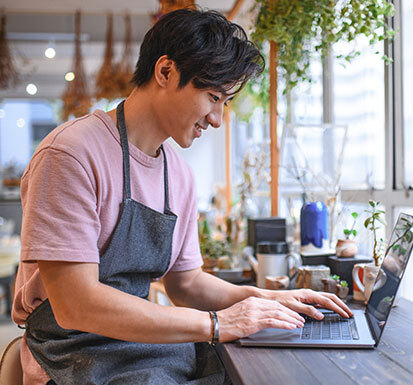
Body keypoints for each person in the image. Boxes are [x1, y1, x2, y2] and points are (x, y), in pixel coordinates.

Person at [12, 8, 353, 385]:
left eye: (225, 103)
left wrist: (263, 299)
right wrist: (218, 323)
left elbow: (186, 284)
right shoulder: (71, 154)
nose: (218, 119)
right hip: (72, 352)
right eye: (213, 97)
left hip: (139, 345)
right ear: (165, 72)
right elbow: (77, 306)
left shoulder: (178, 173)